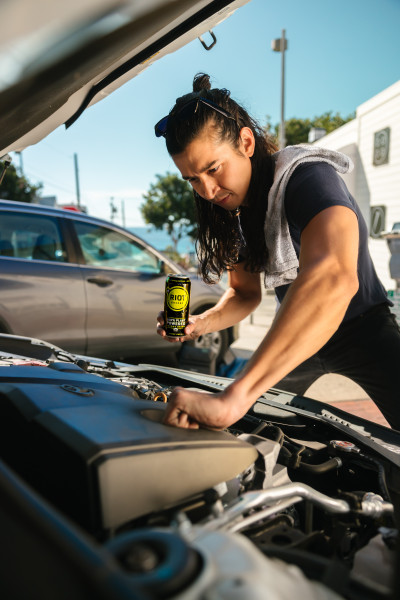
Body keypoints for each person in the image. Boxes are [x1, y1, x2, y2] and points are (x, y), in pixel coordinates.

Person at [155, 73, 400, 431]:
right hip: (294, 336)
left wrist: (233, 398)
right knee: (247, 433)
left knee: (236, 405)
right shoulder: (234, 213)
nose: (206, 190)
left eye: (213, 169)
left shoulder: (307, 177)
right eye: (192, 179)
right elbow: (244, 294)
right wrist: (199, 324)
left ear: (246, 142)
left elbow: (334, 277)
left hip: (364, 328)